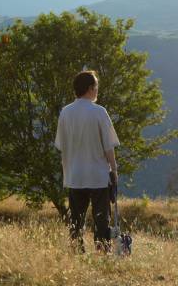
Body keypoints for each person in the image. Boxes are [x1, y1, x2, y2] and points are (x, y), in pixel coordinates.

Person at [55, 70, 120, 253]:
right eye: (96, 86)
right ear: (90, 88)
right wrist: (114, 171)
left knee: (76, 218)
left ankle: (77, 250)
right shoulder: (99, 112)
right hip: (98, 175)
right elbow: (109, 146)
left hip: (74, 175)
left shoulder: (65, 113)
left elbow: (60, 145)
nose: (97, 90)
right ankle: (102, 251)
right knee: (101, 218)